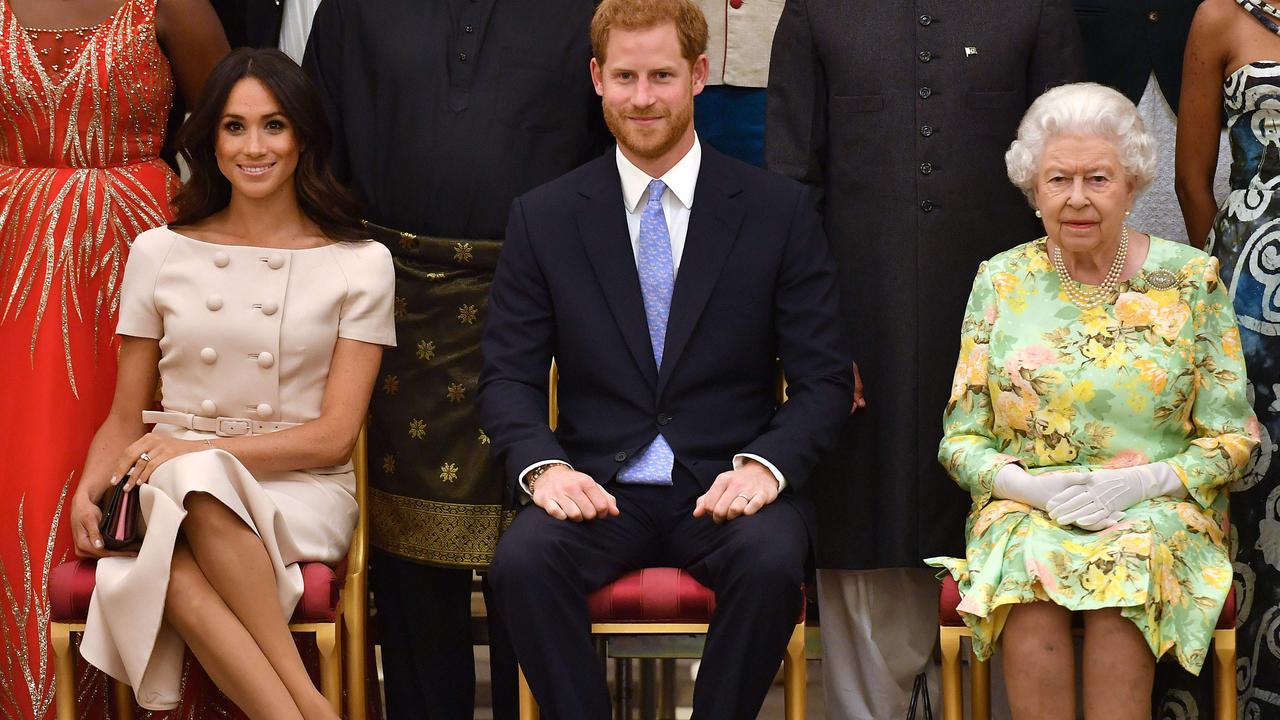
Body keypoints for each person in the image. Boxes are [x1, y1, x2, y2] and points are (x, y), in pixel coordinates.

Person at [478, 0, 851, 716]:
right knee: (521, 564)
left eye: (661, 75)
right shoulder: (544, 216)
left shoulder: (778, 213)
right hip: (598, 487)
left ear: (699, 75)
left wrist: (765, 466)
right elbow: (508, 378)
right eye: (625, 76)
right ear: (596, 78)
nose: (642, 97)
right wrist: (545, 465)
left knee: (773, 562)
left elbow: (824, 380)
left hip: (727, 484)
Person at [764, 1, 1082, 716]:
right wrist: (814, 342)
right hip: (856, 329)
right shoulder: (818, 9)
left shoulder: (1036, 8)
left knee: (1007, 534)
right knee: (863, 527)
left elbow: (1070, 175)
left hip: (1009, 342)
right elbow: (790, 185)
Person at [67, 48, 394, 718]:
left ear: (303, 137)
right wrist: (88, 487)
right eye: (234, 126)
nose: (255, 146)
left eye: (273, 126)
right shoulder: (158, 251)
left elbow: (334, 438)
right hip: (172, 480)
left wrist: (192, 456)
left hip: (299, 489)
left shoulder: (361, 263)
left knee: (189, 500)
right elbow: (126, 415)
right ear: (209, 138)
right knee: (173, 551)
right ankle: (306, 709)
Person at [302, 2, 607, 715]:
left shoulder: (594, 9)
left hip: (546, 309)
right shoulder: (351, 9)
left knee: (538, 555)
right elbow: (318, 153)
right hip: (395, 312)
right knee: (409, 578)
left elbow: (616, 155)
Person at [925, 82, 1258, 719]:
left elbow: (1234, 439)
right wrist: (1032, 490)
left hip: (1157, 510)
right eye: (1058, 179)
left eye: (1098, 178)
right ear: (1033, 189)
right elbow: (961, 440)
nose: (1077, 198)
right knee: (1029, 562)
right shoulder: (1001, 279)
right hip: (1027, 509)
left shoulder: (1191, 280)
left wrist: (1143, 485)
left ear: (1132, 183)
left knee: (1124, 567)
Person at [0, 0, 226, 716]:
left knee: (139, 456)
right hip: (12, 260)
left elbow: (233, 114)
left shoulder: (173, 5)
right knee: (21, 470)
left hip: (143, 251)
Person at [1176, 0, 1280, 714]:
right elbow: (1191, 178)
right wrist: (1229, 285)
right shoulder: (1219, 15)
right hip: (1250, 300)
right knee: (1249, 482)